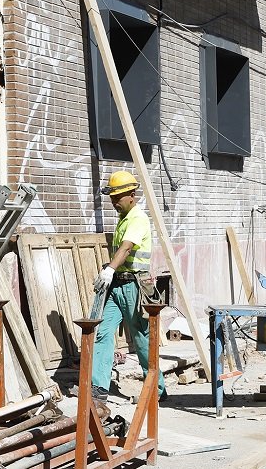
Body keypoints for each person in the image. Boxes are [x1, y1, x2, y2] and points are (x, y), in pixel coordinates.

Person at [91, 170, 167, 414]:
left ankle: (156, 389)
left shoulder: (137, 218)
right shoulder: (123, 218)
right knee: (102, 333)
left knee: (142, 338)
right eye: (112, 197)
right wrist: (111, 272)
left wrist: (109, 269)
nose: (114, 202)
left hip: (135, 285)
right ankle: (98, 389)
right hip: (117, 286)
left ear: (132, 195)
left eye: (118, 197)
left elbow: (126, 247)